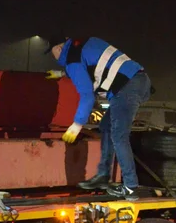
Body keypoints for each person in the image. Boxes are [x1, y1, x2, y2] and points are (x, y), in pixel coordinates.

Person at [47, 37, 151, 196]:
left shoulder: (72, 60)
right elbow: (89, 66)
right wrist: (61, 73)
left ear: (58, 49)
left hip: (126, 88)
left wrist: (77, 124)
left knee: (118, 136)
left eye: (51, 52)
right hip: (137, 81)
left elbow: (87, 96)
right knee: (106, 127)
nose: (52, 57)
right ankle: (103, 175)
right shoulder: (81, 45)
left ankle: (130, 186)